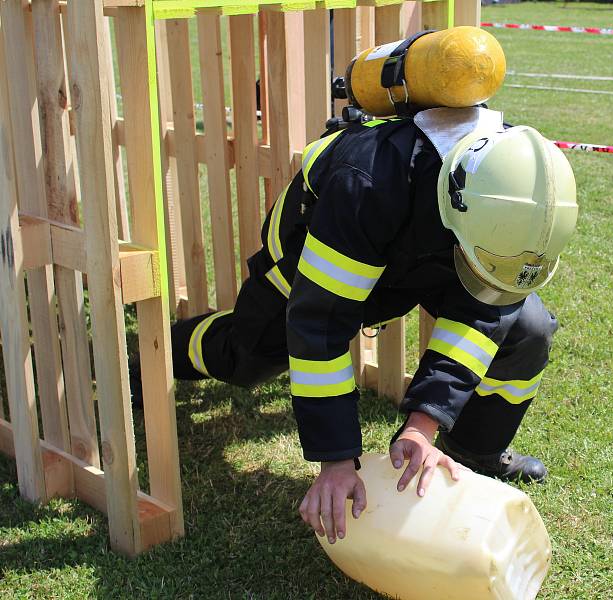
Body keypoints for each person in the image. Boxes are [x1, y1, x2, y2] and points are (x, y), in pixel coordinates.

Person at [166, 106, 578, 544]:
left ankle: (476, 452)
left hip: (431, 246)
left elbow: (482, 313)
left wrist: (424, 425)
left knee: (526, 327)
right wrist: (337, 460)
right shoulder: (365, 182)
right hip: (312, 258)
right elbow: (320, 326)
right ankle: (160, 355)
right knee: (242, 359)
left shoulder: (517, 177)